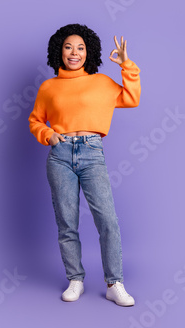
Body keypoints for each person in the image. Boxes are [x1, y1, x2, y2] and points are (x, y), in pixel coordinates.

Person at [28, 23, 141, 307]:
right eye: (68, 47)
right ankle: (75, 279)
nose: (74, 53)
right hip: (60, 155)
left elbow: (132, 98)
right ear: (59, 51)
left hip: (92, 153)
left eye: (80, 47)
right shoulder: (48, 87)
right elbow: (35, 120)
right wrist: (49, 135)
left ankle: (114, 283)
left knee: (108, 221)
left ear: (88, 52)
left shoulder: (102, 82)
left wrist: (126, 65)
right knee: (67, 223)